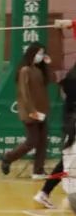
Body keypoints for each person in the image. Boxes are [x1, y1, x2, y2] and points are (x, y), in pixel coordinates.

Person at [0, 42, 53, 181]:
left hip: (42, 111)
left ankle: (38, 170)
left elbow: (51, 80)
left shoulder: (39, 70)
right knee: (32, 141)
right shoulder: (25, 70)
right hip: (31, 112)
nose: (41, 56)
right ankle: (8, 157)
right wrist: (32, 111)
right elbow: (24, 94)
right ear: (31, 53)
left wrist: (48, 64)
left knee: (42, 142)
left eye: (43, 53)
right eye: (39, 53)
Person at [34, 59, 76, 208]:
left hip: (69, 125)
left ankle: (44, 192)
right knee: (67, 163)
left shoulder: (68, 80)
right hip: (73, 125)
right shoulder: (71, 82)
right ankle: (45, 192)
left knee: (66, 162)